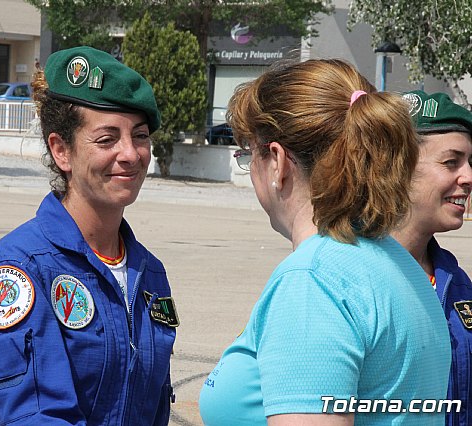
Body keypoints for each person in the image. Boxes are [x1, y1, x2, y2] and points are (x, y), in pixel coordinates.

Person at [198, 59, 451, 425]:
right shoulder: (400, 265)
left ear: (278, 162)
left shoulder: (314, 279)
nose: (249, 167)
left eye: (248, 154)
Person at [0, 46, 177, 425]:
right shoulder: (19, 270)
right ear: (61, 151)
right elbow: (35, 415)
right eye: (107, 139)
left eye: (140, 136)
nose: (130, 154)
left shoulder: (149, 273)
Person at [392, 90, 472, 426]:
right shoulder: (346, 279)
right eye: (451, 162)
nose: (468, 177)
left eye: (470, 163)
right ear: (398, 167)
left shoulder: (458, 283)